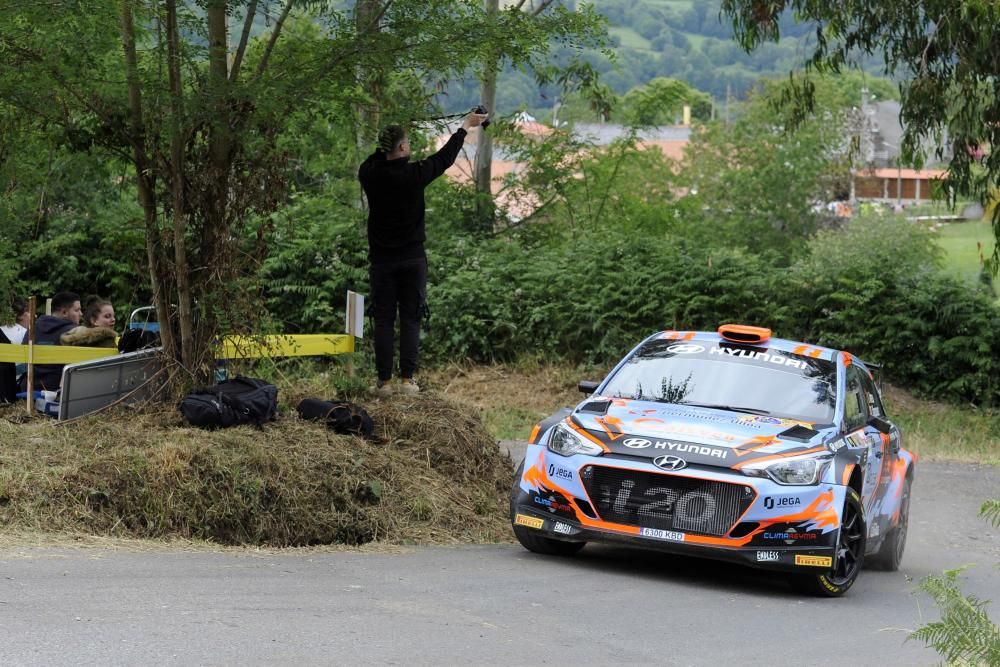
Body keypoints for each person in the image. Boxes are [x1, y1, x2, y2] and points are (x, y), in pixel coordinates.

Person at [358, 110, 488, 395]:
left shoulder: (369, 174)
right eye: (408, 143)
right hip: (413, 259)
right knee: (410, 318)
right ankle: (407, 380)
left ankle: (383, 382)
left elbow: (376, 158)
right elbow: (445, 157)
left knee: (383, 319)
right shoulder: (414, 174)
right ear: (403, 148)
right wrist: (465, 126)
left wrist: (387, 144)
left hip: (381, 261)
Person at [26, 291, 82, 391]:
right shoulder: (74, 332)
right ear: (64, 312)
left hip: (28, 388)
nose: (81, 314)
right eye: (77, 310)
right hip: (59, 391)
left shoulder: (32, 328)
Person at [0, 299, 29, 403]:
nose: (34, 317)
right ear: (21, 316)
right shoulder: (25, 333)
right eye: (29, 313)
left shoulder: (2, 329)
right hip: (13, 383)